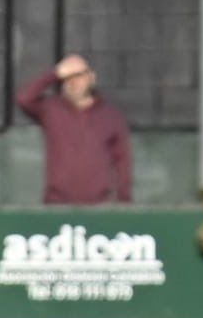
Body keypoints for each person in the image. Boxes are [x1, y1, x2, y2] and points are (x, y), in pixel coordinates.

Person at [14, 54, 133, 205]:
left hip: (99, 207)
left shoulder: (111, 116)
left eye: (78, 75)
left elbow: (122, 161)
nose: (73, 82)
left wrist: (124, 201)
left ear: (91, 78)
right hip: (57, 205)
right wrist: (55, 73)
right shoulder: (51, 110)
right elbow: (23, 99)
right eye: (67, 77)